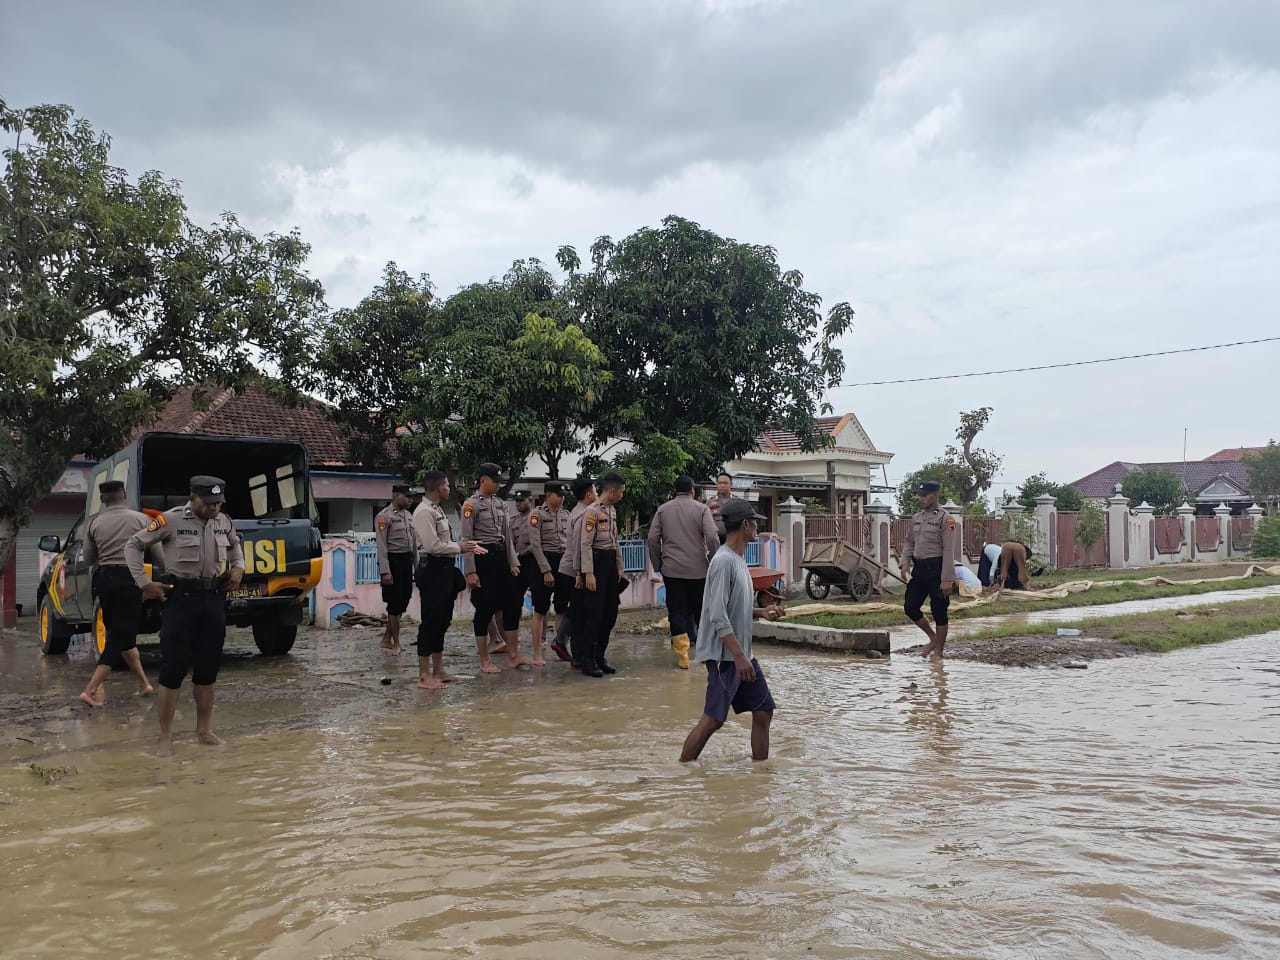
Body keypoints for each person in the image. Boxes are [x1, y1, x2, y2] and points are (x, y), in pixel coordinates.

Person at [125, 475, 244, 756]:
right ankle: (166, 737)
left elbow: (235, 546)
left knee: (208, 668)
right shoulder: (170, 520)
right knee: (173, 668)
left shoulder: (223, 521)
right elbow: (133, 545)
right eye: (209, 502)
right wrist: (144, 583)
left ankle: (204, 731)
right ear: (193, 498)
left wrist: (238, 568)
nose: (214, 507)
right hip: (180, 599)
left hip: (213, 599)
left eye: (218, 502)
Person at [679, 499, 782, 763]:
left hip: (741, 654)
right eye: (754, 522)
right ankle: (683, 770)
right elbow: (717, 615)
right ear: (745, 524)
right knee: (713, 719)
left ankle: (760, 771)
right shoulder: (723, 561)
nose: (757, 527)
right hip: (726, 656)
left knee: (763, 710)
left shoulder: (737, 560)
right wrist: (738, 656)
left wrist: (761, 613)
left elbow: (733, 608)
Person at [77, 480, 154, 706]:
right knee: (120, 637)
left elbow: (88, 559)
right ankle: (90, 690)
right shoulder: (142, 520)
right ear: (124, 494)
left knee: (122, 636)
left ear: (102, 499)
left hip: (105, 580)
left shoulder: (94, 524)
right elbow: (158, 552)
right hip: (131, 578)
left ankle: (144, 685)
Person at [411, 470, 487, 690]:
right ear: (437, 487)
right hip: (432, 569)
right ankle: (424, 675)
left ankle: (438, 670)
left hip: (444, 568)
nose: (448, 489)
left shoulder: (437, 509)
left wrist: (462, 546)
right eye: (445, 485)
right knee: (430, 621)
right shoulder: (424, 512)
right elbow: (432, 546)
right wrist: (460, 547)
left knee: (442, 621)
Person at [460, 463, 531, 673]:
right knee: (484, 609)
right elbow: (467, 539)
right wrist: (470, 571)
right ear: (483, 480)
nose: (499, 485)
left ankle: (513, 655)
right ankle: (484, 660)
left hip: (501, 557)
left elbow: (506, 537)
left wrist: (513, 563)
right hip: (483, 558)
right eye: (495, 481)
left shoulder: (500, 504)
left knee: (512, 605)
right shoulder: (470, 505)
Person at [647, 474, 719, 670]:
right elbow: (712, 537)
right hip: (698, 570)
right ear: (692, 491)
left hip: (672, 571)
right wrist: (714, 560)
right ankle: (708, 653)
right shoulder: (702, 509)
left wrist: (658, 564)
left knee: (677, 612)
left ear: (674, 490)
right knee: (702, 612)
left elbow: (652, 538)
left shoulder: (663, 510)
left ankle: (683, 656)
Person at [900, 480, 958, 661]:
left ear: (935, 495)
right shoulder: (916, 518)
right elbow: (909, 542)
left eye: (925, 495)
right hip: (920, 569)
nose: (921, 499)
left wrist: (947, 579)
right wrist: (904, 562)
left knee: (939, 611)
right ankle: (933, 637)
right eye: (920, 495)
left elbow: (949, 549)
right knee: (910, 606)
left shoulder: (946, 519)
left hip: (937, 570)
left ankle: (939, 651)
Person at [579, 472, 627, 678]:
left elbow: (615, 541)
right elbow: (585, 544)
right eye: (621, 492)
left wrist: (619, 566)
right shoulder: (592, 511)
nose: (622, 496)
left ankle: (600, 655)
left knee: (610, 613)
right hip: (596, 565)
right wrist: (588, 573)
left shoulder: (612, 510)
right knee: (594, 614)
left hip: (610, 565)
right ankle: (587, 659)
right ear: (612, 490)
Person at [529, 481, 572, 663]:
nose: (562, 499)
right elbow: (535, 545)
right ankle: (537, 653)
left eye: (563, 496)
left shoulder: (566, 514)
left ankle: (561, 647)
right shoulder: (536, 515)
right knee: (540, 609)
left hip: (563, 562)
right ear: (548, 496)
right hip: (544, 561)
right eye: (558, 495)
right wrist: (546, 570)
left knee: (562, 607)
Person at [557, 476, 596, 669]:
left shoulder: (576, 511)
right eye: (595, 491)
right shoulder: (582, 515)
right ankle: (561, 640)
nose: (597, 494)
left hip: (570, 569)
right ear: (588, 494)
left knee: (579, 612)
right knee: (578, 611)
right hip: (574, 571)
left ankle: (577, 656)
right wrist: (581, 573)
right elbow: (580, 546)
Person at [374, 483, 418, 653]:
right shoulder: (384, 516)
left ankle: (386, 639)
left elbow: (413, 544)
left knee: (403, 600)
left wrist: (417, 566)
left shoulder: (409, 515)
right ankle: (396, 642)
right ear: (395, 496)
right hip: (393, 562)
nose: (410, 500)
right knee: (394, 603)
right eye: (407, 496)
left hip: (406, 562)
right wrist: (385, 571)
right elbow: (382, 546)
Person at [509, 490, 543, 663]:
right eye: (516, 500)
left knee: (539, 602)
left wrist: (522, 552)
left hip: (534, 561)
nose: (518, 503)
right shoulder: (513, 521)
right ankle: (514, 643)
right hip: (518, 564)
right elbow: (509, 543)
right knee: (514, 602)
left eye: (522, 500)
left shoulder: (537, 517)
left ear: (530, 500)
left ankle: (541, 640)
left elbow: (537, 542)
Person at [705, 471, 740, 544]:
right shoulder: (709, 502)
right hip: (715, 540)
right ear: (716, 484)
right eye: (720, 483)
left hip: (733, 539)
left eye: (725, 483)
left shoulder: (738, 501)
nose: (722, 485)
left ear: (731, 484)